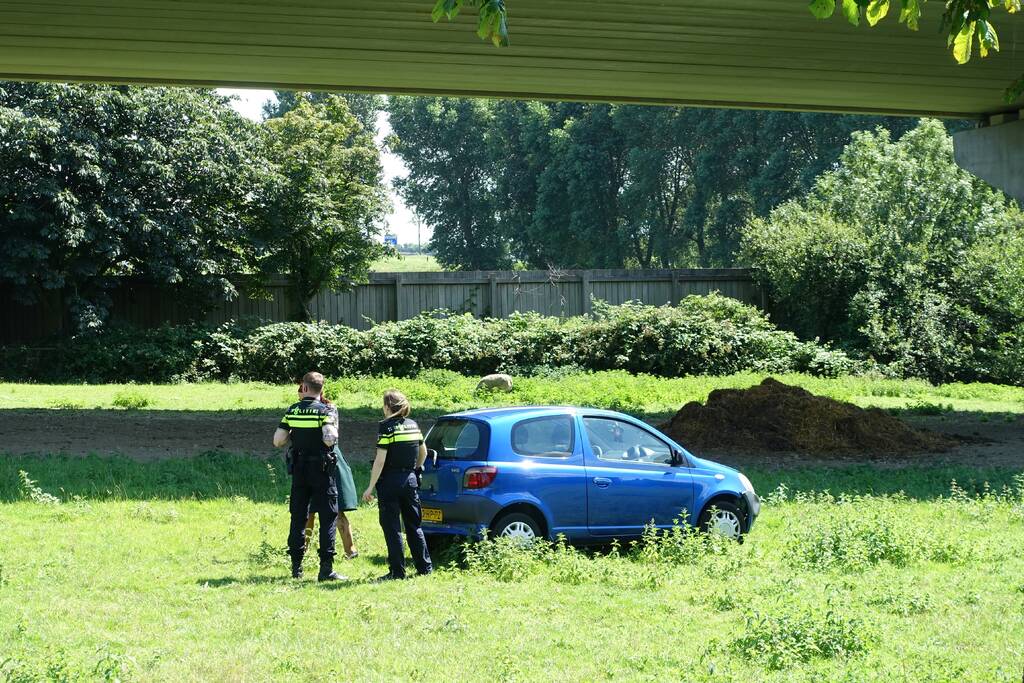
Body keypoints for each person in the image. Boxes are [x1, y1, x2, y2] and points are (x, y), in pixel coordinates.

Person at [273, 371, 345, 582]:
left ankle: (296, 568)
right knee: (328, 517)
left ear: (304, 388)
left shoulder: (292, 411)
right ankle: (326, 569)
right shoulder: (325, 410)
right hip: (322, 470)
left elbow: (278, 440)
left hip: (299, 469)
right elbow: (331, 438)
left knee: (298, 517)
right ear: (321, 389)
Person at [362, 389, 432, 581]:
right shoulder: (413, 425)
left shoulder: (386, 427)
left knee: (392, 528)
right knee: (414, 526)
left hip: (390, 482)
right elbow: (423, 453)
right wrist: (413, 470)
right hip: (410, 480)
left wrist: (370, 486)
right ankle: (424, 568)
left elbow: (380, 461)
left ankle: (397, 572)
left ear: (387, 407)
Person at [302, 390, 359, 559]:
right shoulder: (313, 408)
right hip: (318, 461)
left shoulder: (328, 408)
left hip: (328, 460)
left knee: (336, 509)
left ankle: (350, 550)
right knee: (310, 510)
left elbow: (329, 437)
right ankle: (302, 549)